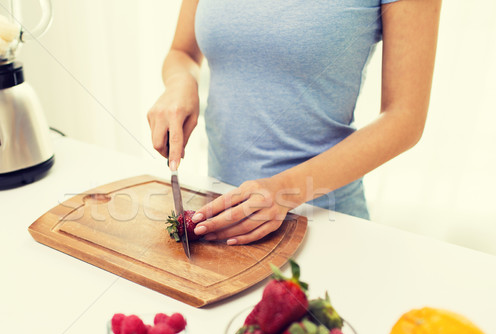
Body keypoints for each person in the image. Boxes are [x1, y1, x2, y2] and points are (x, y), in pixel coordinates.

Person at [147, 0, 441, 245]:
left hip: (323, 226)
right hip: (220, 220)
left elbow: (405, 119)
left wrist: (284, 190)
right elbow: (181, 52)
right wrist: (180, 82)